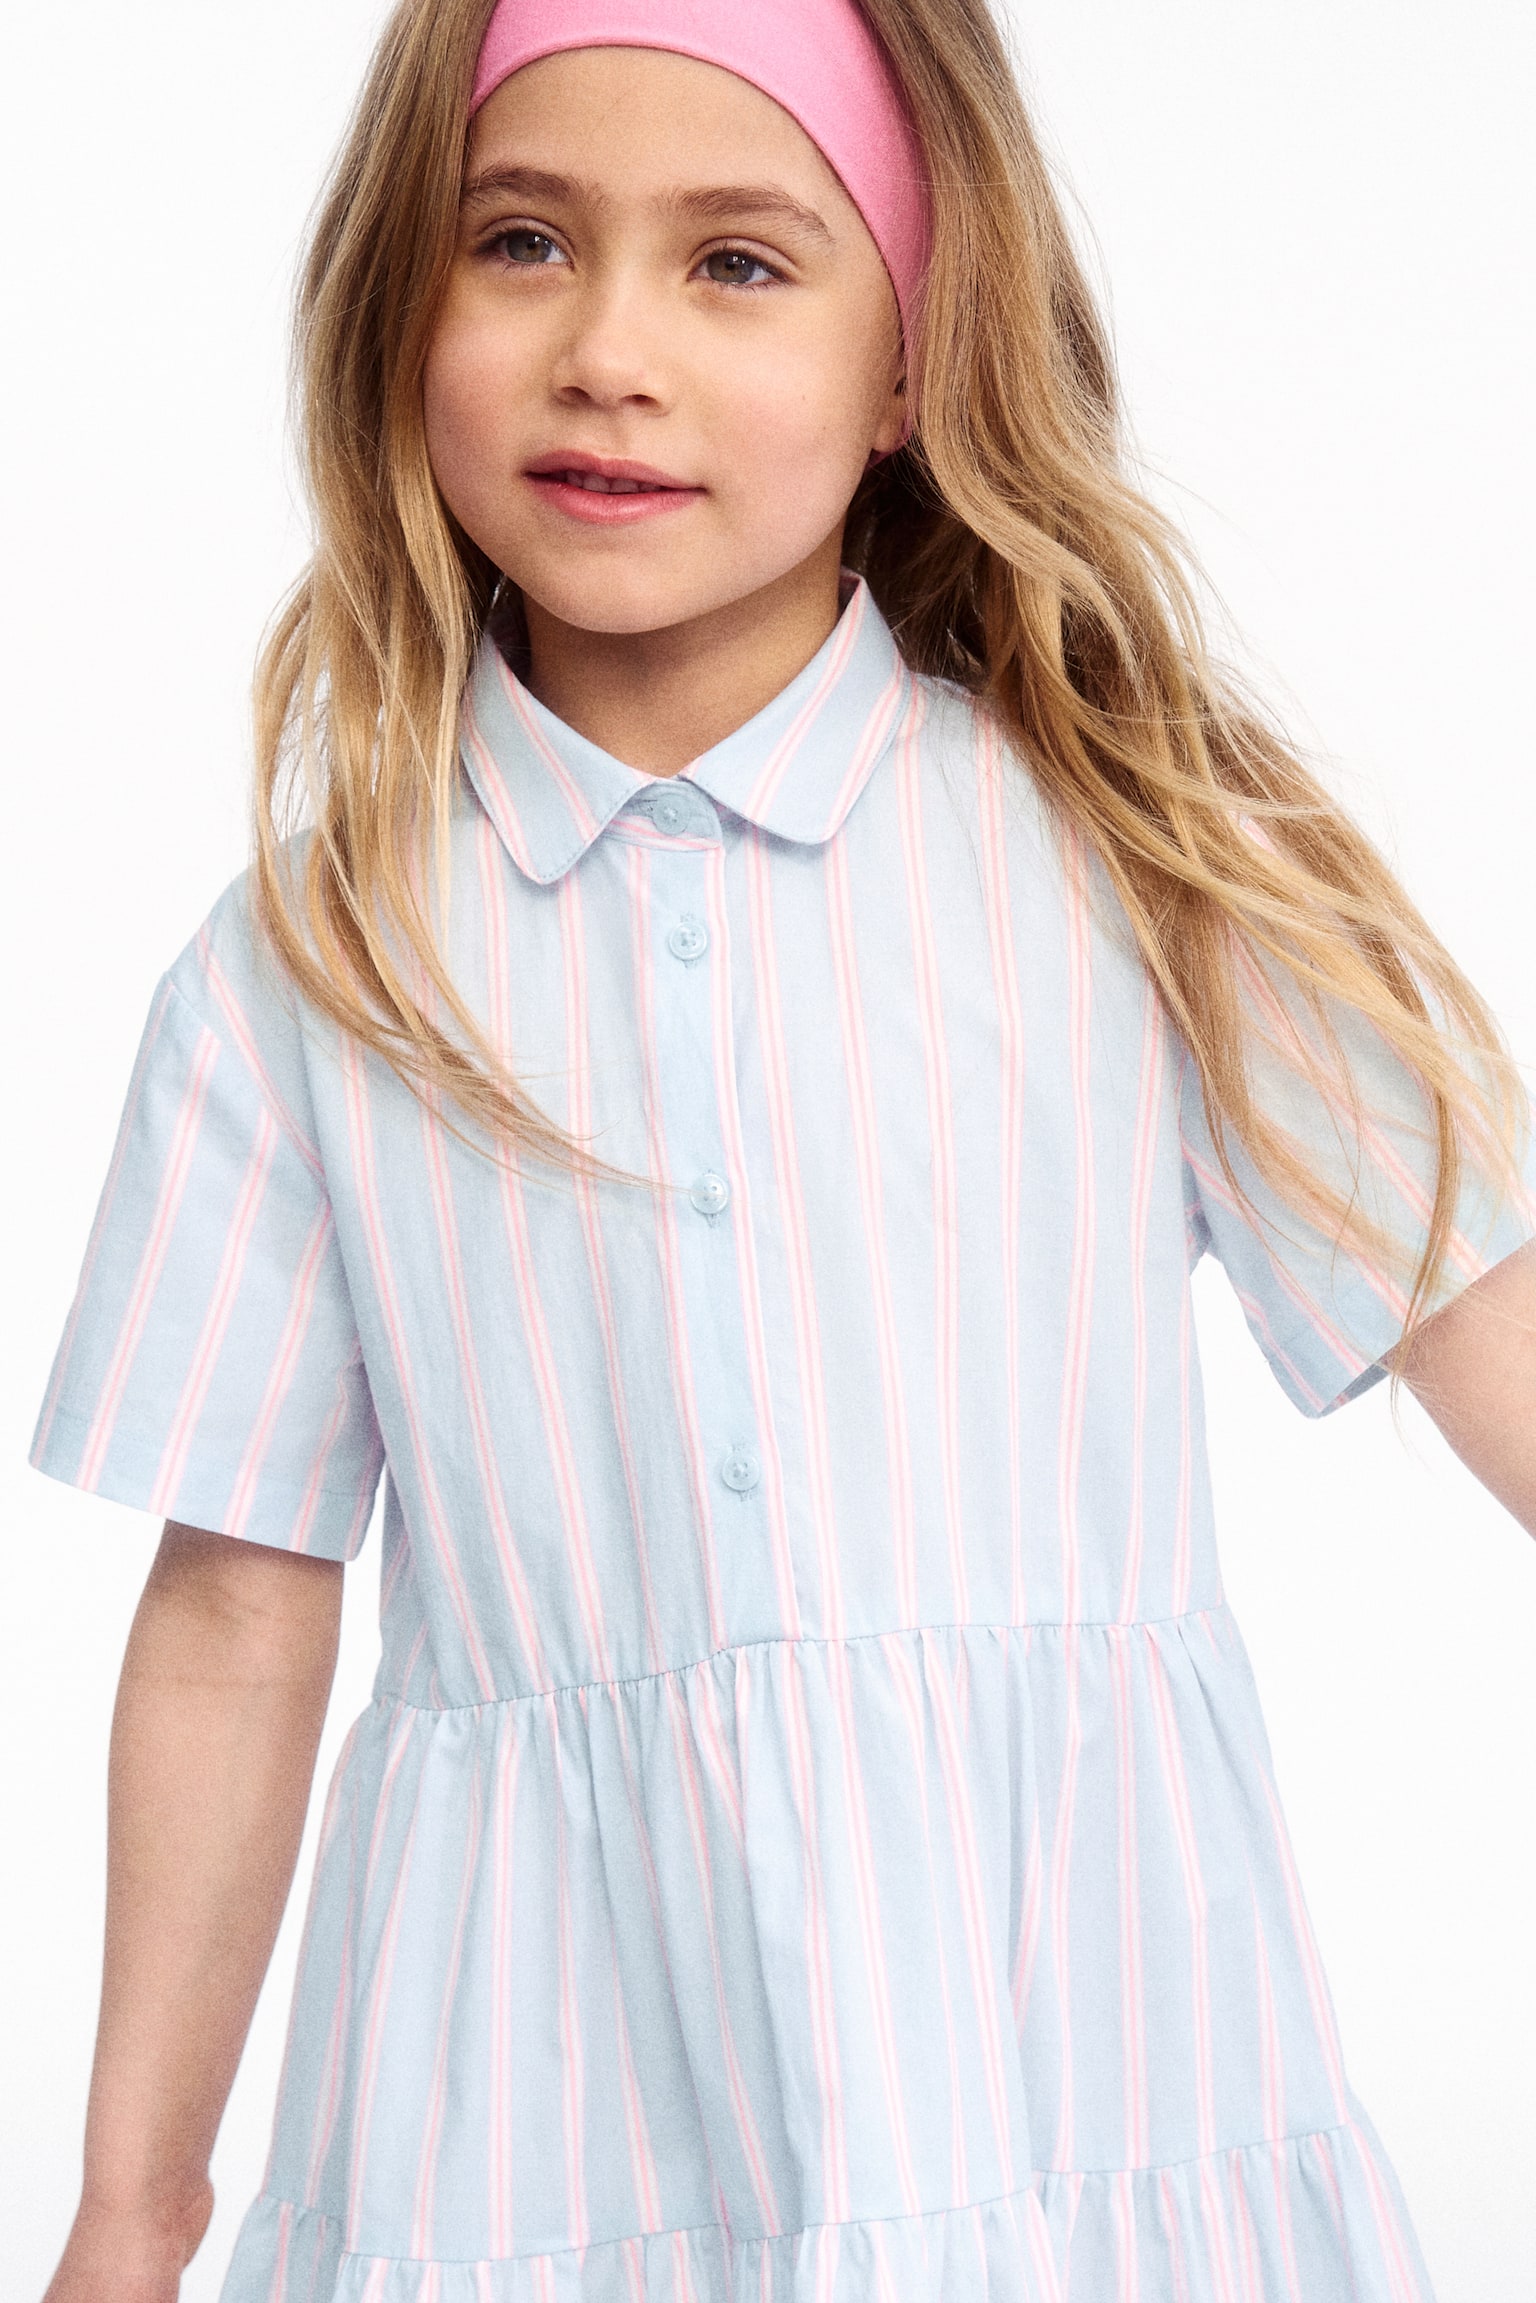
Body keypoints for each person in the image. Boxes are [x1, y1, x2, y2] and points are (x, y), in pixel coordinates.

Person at [29, 0, 1536, 2297]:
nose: (607, 355)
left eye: (737, 261)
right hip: (531, 2128)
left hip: (1082, 2089)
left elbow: (1492, 1334)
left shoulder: (1148, 873)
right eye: (521, 241)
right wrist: (131, 2213)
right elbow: (238, 1607)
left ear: (913, 357)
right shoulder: (307, 973)